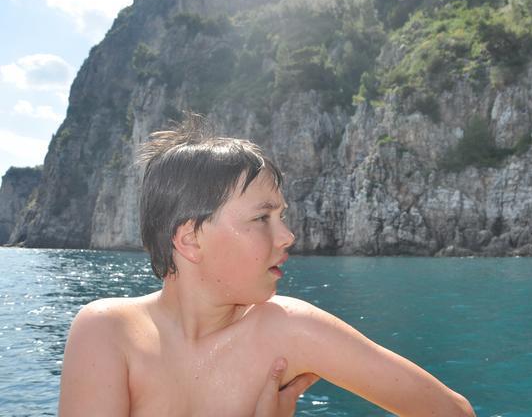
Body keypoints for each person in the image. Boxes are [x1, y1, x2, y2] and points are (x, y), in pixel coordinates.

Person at [58, 115, 475, 417]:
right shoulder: (108, 332)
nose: (288, 236)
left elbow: (452, 412)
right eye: (262, 218)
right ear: (190, 239)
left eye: (281, 216)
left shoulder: (290, 328)